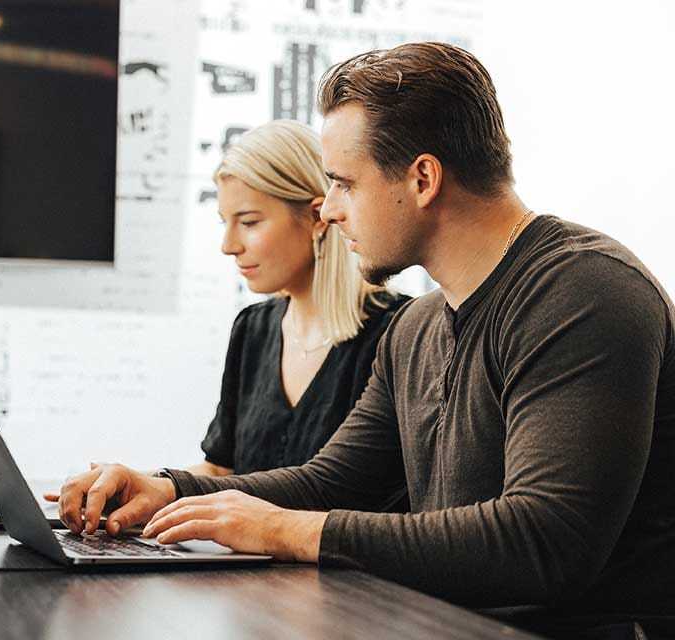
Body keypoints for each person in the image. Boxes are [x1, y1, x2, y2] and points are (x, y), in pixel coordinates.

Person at [53, 42, 675, 638]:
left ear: (423, 179)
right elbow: (331, 481)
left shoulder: (586, 292)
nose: (326, 210)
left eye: (345, 184)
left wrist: (286, 532)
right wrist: (168, 487)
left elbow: (543, 543)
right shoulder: (417, 327)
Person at [189, 120, 408, 478]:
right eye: (224, 223)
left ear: (316, 218)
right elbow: (219, 470)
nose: (229, 246)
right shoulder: (252, 329)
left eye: (248, 222)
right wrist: (140, 488)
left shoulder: (397, 331)